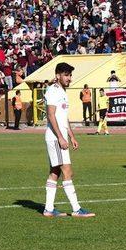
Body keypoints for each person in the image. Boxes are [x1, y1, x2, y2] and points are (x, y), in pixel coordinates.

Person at [43, 62, 95, 218]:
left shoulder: (62, 91)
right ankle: (76, 209)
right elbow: (51, 115)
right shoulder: (53, 90)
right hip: (55, 137)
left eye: (70, 75)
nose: (69, 78)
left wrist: (71, 136)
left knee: (55, 172)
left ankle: (49, 209)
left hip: (60, 136)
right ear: (58, 75)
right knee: (67, 171)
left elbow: (63, 118)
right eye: (66, 75)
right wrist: (60, 137)